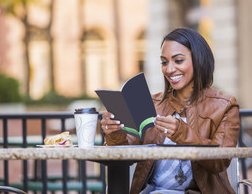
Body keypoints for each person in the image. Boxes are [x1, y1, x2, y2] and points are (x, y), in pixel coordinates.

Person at [100, 27, 240, 194]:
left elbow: (220, 161)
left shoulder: (224, 106)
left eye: (178, 60)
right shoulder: (151, 103)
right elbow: (125, 153)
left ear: (199, 60)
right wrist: (114, 133)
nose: (169, 69)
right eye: (164, 62)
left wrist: (182, 133)